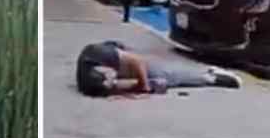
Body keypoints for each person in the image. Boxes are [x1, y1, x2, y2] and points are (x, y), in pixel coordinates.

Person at [75, 41, 243, 97]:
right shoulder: (89, 82)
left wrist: (144, 85)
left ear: (102, 68)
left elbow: (137, 61)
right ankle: (207, 74)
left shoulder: (103, 54)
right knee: (159, 78)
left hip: (125, 55)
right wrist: (130, 88)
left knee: (166, 75)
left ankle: (211, 76)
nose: (114, 80)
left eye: (111, 78)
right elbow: (112, 87)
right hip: (119, 58)